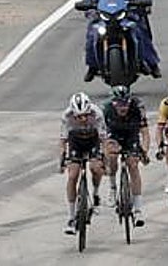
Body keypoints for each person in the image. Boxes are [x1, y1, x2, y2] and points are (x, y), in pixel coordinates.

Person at [81, 0, 146, 82]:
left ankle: (141, 61)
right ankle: (92, 66)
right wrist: (87, 5)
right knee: (91, 35)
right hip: (104, 18)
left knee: (139, 31)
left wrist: (140, 2)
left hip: (125, 17)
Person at [59, 92, 107, 235]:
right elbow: (63, 140)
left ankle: (96, 193)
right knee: (73, 175)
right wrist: (62, 158)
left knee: (96, 168)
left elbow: (103, 139)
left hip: (93, 140)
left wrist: (103, 156)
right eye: (79, 117)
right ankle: (72, 217)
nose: (83, 119)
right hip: (76, 142)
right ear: (73, 114)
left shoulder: (97, 113)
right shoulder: (66, 116)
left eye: (86, 115)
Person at [102, 86, 149, 225]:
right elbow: (100, 135)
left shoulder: (137, 108)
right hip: (113, 135)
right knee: (111, 157)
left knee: (133, 165)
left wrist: (144, 151)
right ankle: (112, 188)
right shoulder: (106, 110)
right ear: (114, 103)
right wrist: (105, 152)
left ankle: (138, 209)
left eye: (126, 103)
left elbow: (145, 132)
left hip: (131, 136)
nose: (123, 107)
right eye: (119, 104)